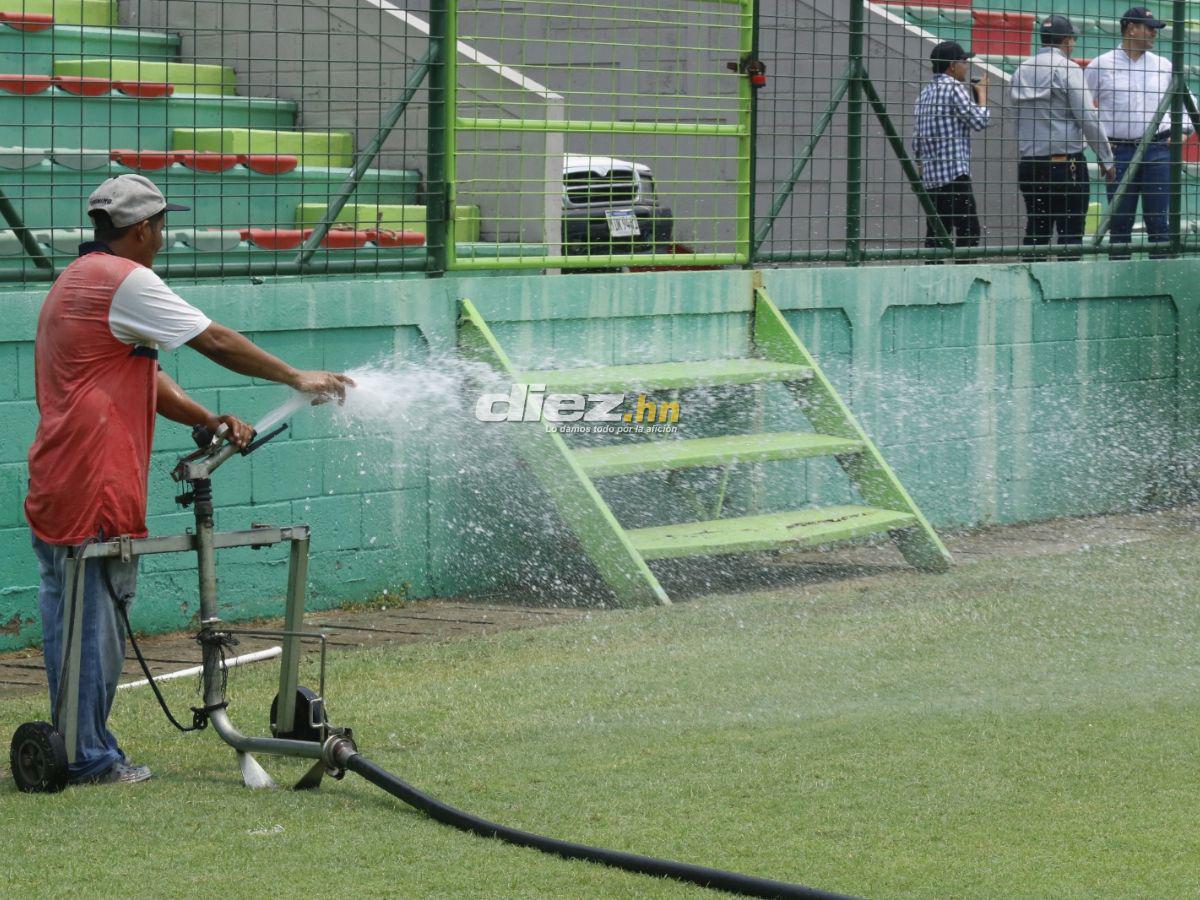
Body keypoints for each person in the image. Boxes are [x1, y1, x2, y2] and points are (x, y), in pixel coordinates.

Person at [24, 174, 355, 786]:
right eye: (161, 228)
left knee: (72, 625)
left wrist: (204, 418)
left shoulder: (73, 282)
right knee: (93, 628)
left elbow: (139, 377)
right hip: (94, 484)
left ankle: (73, 744)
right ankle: (88, 758)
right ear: (146, 228)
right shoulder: (127, 280)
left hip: (58, 479)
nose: (162, 239)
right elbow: (215, 340)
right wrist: (295, 377)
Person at [1085, 6, 1190, 258]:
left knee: (1159, 224)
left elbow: (1187, 101)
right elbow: (1084, 110)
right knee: (1120, 225)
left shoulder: (1163, 66)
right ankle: (1123, 283)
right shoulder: (1100, 65)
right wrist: (1101, 151)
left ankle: (1161, 283)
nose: (1154, 34)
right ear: (1131, 29)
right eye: (1149, 28)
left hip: (1158, 150)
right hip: (1118, 151)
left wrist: (1184, 130)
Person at [1010, 14, 1115, 257]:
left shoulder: (1021, 71)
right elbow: (1087, 116)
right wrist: (1105, 157)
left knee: (1037, 229)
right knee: (1070, 232)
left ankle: (1029, 286)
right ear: (1067, 40)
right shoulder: (1068, 68)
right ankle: (1067, 292)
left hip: (1030, 164)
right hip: (1064, 163)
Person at [912, 41, 992, 259]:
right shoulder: (954, 88)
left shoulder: (924, 95)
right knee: (969, 231)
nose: (966, 66)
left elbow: (916, 143)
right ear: (952, 65)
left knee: (937, 235)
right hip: (955, 175)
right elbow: (979, 122)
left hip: (931, 180)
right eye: (964, 61)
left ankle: (932, 281)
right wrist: (982, 95)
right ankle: (966, 282)